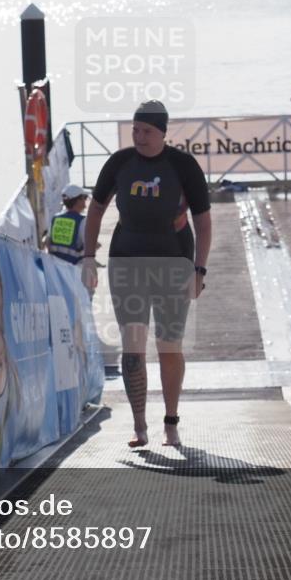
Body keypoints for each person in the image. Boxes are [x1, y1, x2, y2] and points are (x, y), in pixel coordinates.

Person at [82, 100, 212, 449]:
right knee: (132, 349)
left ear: (162, 133)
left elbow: (203, 220)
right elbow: (95, 210)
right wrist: (88, 257)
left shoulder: (182, 165)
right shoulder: (120, 163)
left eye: (146, 131)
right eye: (135, 129)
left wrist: (200, 268)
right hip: (127, 261)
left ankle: (171, 422)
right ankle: (140, 425)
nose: (138, 136)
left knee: (169, 347)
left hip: (174, 262)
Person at [48, 183, 92, 265]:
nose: (85, 200)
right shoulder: (82, 221)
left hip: (57, 267)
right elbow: (89, 246)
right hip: (75, 269)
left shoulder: (55, 218)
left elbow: (49, 243)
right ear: (77, 200)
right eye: (84, 198)